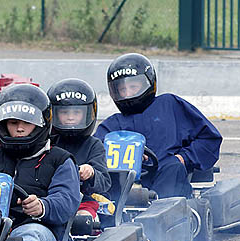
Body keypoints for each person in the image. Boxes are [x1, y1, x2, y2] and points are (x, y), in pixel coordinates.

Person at [94, 53, 223, 198]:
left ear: (148, 84)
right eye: (122, 89)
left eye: (133, 87)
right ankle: (110, 214)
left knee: (172, 167)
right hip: (123, 188)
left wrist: (183, 158)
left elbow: (209, 138)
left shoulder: (170, 105)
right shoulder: (112, 125)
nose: (128, 93)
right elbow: (93, 154)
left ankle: (158, 213)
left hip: (167, 178)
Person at [0, 83, 81, 241]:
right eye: (13, 123)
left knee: (31, 238)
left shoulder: (59, 160)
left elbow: (66, 200)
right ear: (3, 125)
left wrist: (42, 207)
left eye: (26, 123)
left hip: (36, 228)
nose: (19, 128)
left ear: (40, 124)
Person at [47, 78, 112, 219]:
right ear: (53, 114)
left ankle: (82, 239)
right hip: (50, 201)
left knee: (82, 219)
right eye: (64, 112)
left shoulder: (93, 145)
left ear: (88, 113)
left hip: (83, 201)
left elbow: (105, 182)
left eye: (76, 113)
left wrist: (91, 172)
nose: (70, 118)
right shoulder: (47, 143)